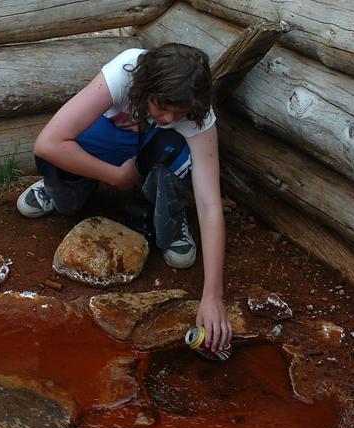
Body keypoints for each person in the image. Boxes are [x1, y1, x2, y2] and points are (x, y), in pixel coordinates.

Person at [16, 43, 232, 352]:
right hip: (111, 142)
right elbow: (47, 143)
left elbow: (210, 203)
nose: (170, 117)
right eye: (163, 106)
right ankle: (62, 189)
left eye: (179, 111)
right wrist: (114, 176)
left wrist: (213, 296)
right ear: (146, 88)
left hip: (148, 150)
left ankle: (167, 217)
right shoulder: (126, 70)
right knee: (62, 174)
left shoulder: (196, 109)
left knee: (181, 153)